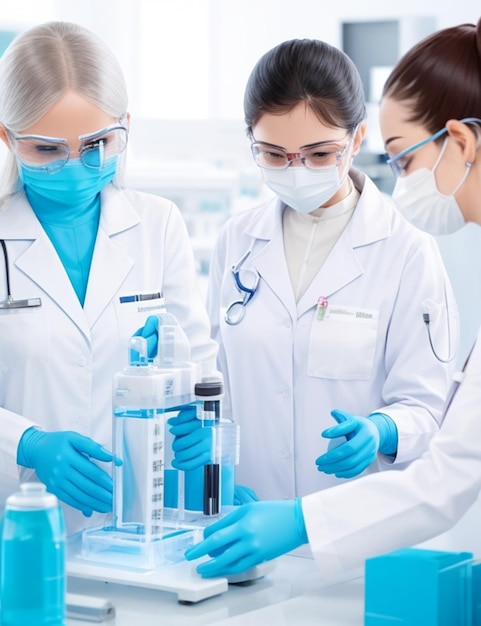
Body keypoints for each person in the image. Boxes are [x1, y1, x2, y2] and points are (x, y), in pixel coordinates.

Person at [185, 19, 481, 580]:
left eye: (319, 153)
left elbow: (432, 414)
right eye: (274, 154)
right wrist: (204, 437)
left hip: (360, 549)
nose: (297, 171)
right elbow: (218, 377)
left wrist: (382, 431)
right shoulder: (236, 241)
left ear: (356, 139)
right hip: (247, 531)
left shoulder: (407, 250)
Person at [0, 21, 217, 533]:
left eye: (99, 142)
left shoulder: (158, 224)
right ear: (7, 136)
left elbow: (198, 361)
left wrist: (201, 422)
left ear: (125, 125)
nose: (78, 165)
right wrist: (26, 444)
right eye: (47, 149)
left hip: (140, 524)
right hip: (17, 523)